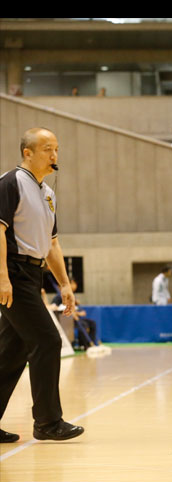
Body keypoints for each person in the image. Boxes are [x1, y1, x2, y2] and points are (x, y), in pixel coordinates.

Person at [0, 127, 85, 442]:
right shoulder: (10, 183)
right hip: (12, 272)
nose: (54, 156)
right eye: (48, 149)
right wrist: (2, 278)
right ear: (28, 153)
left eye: (57, 149)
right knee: (48, 341)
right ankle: (48, 423)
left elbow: (51, 244)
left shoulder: (47, 193)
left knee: (12, 350)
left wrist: (64, 283)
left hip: (32, 275)